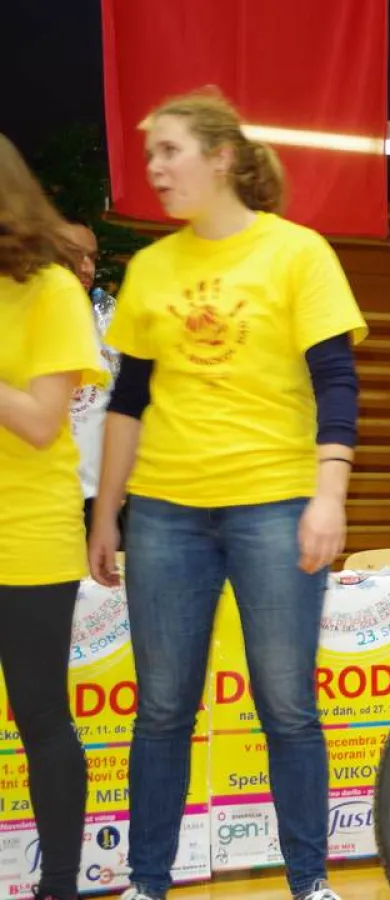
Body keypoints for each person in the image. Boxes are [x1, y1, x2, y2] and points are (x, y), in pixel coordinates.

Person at [85, 89, 365, 900]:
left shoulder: (298, 253)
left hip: (276, 504)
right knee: (162, 709)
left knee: (287, 706)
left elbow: (337, 381)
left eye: (169, 150)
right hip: (165, 514)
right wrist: (107, 512)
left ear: (221, 158)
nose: (155, 167)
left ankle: (309, 881)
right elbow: (128, 401)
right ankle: (147, 882)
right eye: (150, 154)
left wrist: (329, 494)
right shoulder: (150, 268)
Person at [0, 132, 100, 900]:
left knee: (39, 714)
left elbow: (40, 420)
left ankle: (59, 886)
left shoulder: (52, 290)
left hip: (27, 534)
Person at [59, 218, 121, 534]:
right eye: (74, 255)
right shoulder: (18, 320)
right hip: (43, 491)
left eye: (92, 258)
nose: (86, 267)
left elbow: (125, 404)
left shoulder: (107, 318)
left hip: (99, 493)